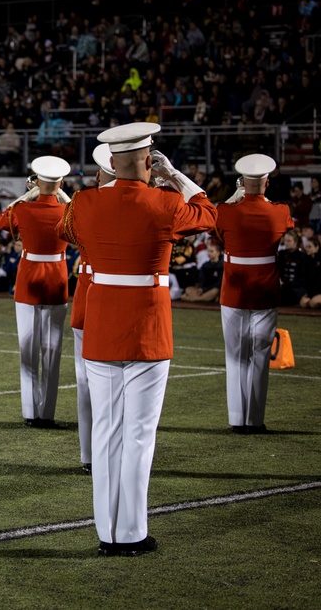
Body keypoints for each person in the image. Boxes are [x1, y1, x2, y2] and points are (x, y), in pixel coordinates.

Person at [58, 121, 217, 556]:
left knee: (106, 432)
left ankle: (107, 533)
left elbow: (65, 233)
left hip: (102, 328)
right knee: (139, 435)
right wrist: (176, 177)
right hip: (147, 330)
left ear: (110, 163)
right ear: (149, 161)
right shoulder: (165, 202)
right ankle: (130, 533)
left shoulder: (85, 203)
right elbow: (208, 213)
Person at [214, 154, 294, 434]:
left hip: (235, 290)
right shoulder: (279, 210)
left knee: (236, 356)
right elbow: (287, 226)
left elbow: (216, 225)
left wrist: (235, 198)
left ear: (242, 183)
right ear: (267, 182)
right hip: (265, 289)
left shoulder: (227, 211)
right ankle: (255, 420)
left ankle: (238, 419)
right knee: (259, 356)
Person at [0, 156, 72, 429]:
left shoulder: (24, 210)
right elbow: (80, 216)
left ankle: (30, 412)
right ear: (61, 182)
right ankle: (47, 412)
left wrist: (28, 195)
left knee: (28, 349)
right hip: (56, 281)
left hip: (28, 280)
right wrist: (59, 193)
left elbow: (1, 221)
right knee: (52, 350)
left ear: (36, 182)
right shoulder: (67, 211)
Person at [69, 143, 115, 474]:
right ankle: (110, 456)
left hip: (89, 293)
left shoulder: (85, 202)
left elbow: (63, 229)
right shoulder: (152, 201)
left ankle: (89, 455)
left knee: (86, 383)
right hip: (126, 300)